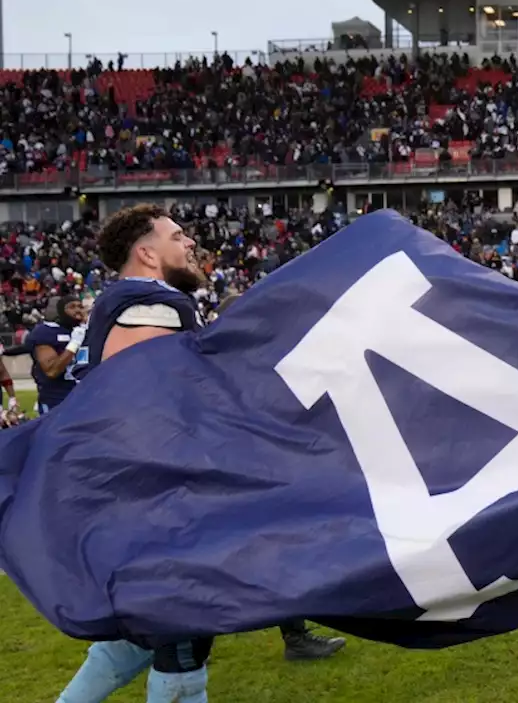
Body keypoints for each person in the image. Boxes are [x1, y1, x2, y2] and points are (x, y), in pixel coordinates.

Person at [57, 203, 214, 702]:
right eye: (176, 236)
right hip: (157, 494)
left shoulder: (124, 301)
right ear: (146, 253)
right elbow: (143, 405)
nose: (188, 243)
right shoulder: (153, 305)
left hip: (127, 494)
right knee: (184, 640)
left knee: (135, 640)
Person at [211, 293, 350, 658]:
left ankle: (295, 637)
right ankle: (185, 641)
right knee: (238, 554)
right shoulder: (227, 364)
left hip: (263, 469)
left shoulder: (255, 358)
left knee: (279, 552)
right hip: (242, 471)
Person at [26, 297, 87, 414]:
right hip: (57, 400)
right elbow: (52, 371)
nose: (78, 310)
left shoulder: (87, 331)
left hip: (85, 399)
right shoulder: (46, 332)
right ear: (61, 311)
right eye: (72, 307)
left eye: (80, 306)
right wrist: (74, 344)